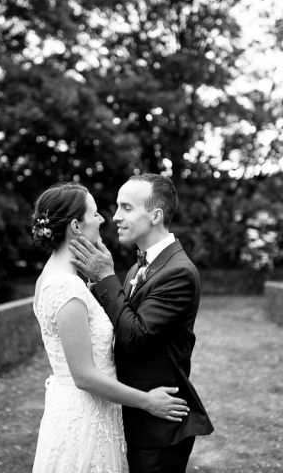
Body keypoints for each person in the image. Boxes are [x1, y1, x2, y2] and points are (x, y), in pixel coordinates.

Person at [30, 182, 189, 473]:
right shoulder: (66, 287)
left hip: (94, 410)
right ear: (76, 226)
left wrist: (99, 281)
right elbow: (85, 376)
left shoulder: (65, 280)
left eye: (125, 207)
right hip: (84, 415)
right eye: (95, 213)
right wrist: (147, 401)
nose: (106, 218)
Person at [70, 173, 214, 473]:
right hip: (138, 414)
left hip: (159, 425)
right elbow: (121, 321)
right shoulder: (140, 265)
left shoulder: (178, 272)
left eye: (126, 208)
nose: (115, 217)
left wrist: (106, 277)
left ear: (155, 215)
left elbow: (133, 335)